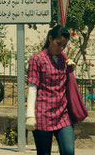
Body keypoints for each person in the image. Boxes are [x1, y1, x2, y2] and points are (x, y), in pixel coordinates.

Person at [26, 25, 75, 155]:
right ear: (50, 38)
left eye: (64, 45)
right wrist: (30, 115)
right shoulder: (37, 59)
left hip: (62, 114)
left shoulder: (63, 58)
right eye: (59, 44)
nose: (61, 48)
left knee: (69, 151)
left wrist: (71, 70)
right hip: (43, 115)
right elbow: (32, 87)